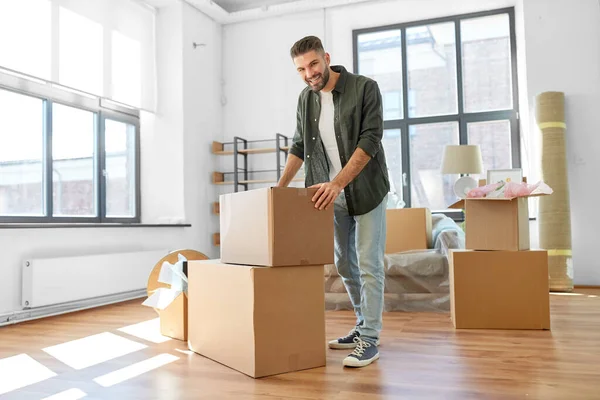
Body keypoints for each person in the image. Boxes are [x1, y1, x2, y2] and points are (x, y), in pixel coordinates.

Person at [277, 35, 390, 368]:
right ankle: (361, 326)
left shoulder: (364, 88)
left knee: (369, 264)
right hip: (329, 195)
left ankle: (370, 339)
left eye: (313, 64)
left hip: (366, 191)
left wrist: (339, 183)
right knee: (344, 264)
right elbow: (299, 145)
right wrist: (280, 188)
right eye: (301, 69)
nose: (309, 73)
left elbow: (371, 139)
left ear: (326, 58)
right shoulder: (306, 99)